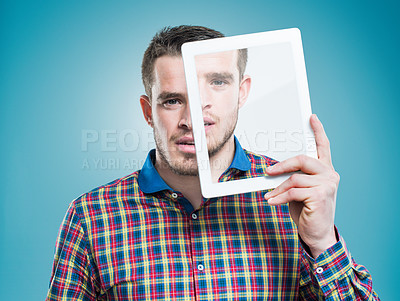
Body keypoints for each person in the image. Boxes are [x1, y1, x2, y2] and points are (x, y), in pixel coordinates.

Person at [46, 25, 379, 300]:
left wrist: (322, 243)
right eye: (173, 100)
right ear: (148, 112)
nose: (192, 120)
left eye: (217, 84)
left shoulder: (292, 194)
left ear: (242, 93)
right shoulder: (91, 216)